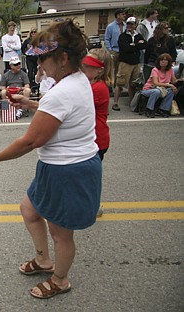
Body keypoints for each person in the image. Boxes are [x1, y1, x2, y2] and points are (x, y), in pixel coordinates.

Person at [0, 19, 101, 299]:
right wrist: (32, 103)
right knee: (29, 210)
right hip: (57, 167)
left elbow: (31, 141)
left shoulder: (64, 90)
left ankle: (60, 279)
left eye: (44, 58)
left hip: (68, 170)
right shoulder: (76, 79)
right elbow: (59, 110)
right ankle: (44, 260)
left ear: (64, 58)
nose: (40, 64)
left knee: (61, 233)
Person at [81, 49, 113, 217]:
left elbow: (73, 107)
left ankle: (94, 207)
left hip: (97, 139)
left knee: (89, 177)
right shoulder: (90, 84)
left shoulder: (98, 88)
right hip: (92, 137)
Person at [112, 16, 147, 111]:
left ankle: (132, 103)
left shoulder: (138, 35)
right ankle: (115, 103)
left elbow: (144, 45)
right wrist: (137, 45)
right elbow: (125, 48)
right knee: (120, 83)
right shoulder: (122, 36)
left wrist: (134, 44)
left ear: (135, 25)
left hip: (136, 63)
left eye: (131, 24)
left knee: (133, 84)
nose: (129, 26)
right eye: (128, 24)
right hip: (125, 62)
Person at [141, 53, 179, 118]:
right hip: (149, 89)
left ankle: (163, 109)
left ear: (169, 62)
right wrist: (170, 85)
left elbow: (174, 81)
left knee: (171, 91)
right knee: (156, 91)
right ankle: (149, 109)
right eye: (161, 60)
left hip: (163, 89)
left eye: (165, 60)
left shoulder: (170, 70)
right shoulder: (155, 70)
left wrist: (180, 79)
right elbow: (155, 83)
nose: (163, 61)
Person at [105, 8, 127, 84]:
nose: (125, 16)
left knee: (122, 69)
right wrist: (110, 50)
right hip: (115, 51)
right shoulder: (110, 26)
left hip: (124, 51)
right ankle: (112, 85)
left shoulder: (126, 26)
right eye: (123, 14)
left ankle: (120, 85)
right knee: (113, 69)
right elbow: (107, 39)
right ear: (118, 16)